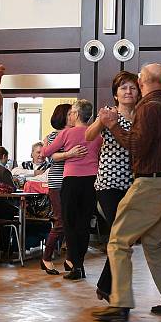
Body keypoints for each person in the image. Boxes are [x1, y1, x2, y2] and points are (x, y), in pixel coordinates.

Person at [92, 64, 161, 322]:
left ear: (143, 82)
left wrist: (113, 125)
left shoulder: (148, 107)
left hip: (152, 183)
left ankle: (120, 304)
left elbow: (135, 146)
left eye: (135, 84)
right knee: (155, 243)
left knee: (118, 241)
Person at [85, 71, 140, 301]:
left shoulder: (141, 115)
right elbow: (88, 136)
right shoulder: (110, 113)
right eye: (123, 88)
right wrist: (101, 120)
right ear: (116, 94)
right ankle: (108, 287)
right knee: (120, 235)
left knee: (123, 236)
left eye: (132, 88)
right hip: (108, 182)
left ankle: (105, 286)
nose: (128, 92)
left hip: (134, 183)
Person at [42, 100, 100, 281]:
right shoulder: (97, 135)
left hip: (71, 181)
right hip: (92, 181)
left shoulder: (67, 133)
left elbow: (45, 153)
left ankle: (75, 267)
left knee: (69, 224)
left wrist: (46, 145)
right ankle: (79, 265)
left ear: (75, 114)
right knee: (83, 225)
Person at [39, 103, 78, 275]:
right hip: (57, 183)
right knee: (61, 221)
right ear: (62, 117)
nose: (73, 116)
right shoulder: (55, 135)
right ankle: (46, 258)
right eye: (70, 113)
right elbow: (52, 156)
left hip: (71, 182)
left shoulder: (73, 134)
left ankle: (70, 259)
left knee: (72, 222)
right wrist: (70, 154)